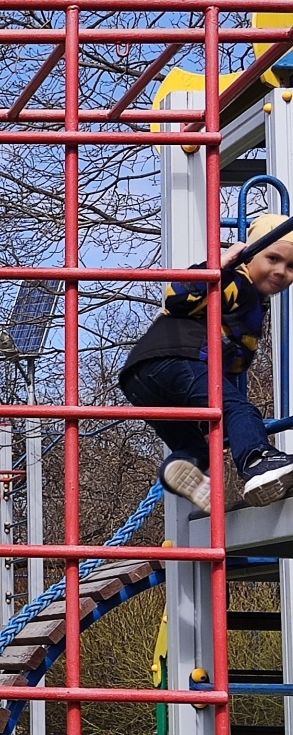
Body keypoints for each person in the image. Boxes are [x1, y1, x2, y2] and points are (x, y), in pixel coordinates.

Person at [119, 210, 293, 514]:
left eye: (291, 266)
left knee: (199, 450)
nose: (281, 271)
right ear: (248, 255)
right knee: (238, 409)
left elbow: (238, 356)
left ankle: (181, 468)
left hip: (140, 379)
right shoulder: (237, 283)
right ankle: (258, 461)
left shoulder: (251, 300)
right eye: (273, 259)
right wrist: (218, 267)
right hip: (178, 359)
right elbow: (178, 296)